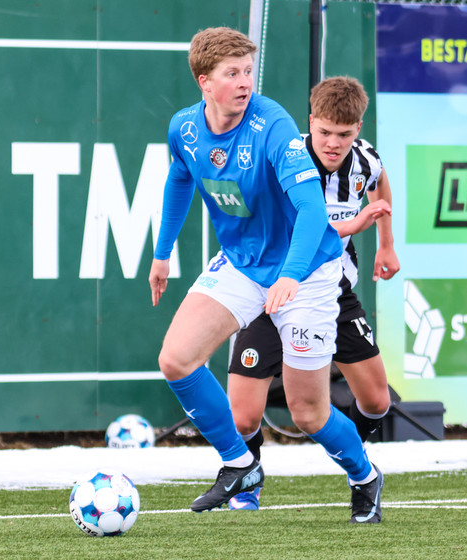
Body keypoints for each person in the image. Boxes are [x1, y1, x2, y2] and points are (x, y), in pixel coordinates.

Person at [149, 28, 384, 523]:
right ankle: (240, 464)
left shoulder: (272, 123)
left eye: (248, 71)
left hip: (308, 271)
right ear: (204, 82)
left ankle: (365, 476)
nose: (244, 82)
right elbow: (180, 178)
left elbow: (312, 211)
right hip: (242, 262)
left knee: (308, 413)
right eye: (231, 73)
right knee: (176, 359)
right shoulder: (184, 127)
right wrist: (162, 254)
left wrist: (291, 276)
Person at [227, 76, 400, 520]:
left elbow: (380, 186)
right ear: (309, 123)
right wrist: (355, 225)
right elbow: (300, 232)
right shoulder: (285, 159)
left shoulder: (365, 159)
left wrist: (386, 245)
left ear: (358, 129)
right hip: (274, 287)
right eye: (324, 132)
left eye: (344, 134)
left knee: (377, 401)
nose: (333, 143)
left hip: (331, 292)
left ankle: (355, 464)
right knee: (242, 417)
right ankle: (248, 483)